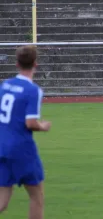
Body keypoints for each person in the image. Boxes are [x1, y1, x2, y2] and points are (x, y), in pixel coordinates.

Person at [0, 46, 51, 219]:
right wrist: (43, 126)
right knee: (37, 197)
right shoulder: (33, 90)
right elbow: (30, 123)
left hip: (3, 146)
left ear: (16, 64)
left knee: (2, 201)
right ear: (35, 64)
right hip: (22, 149)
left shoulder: (5, 85)